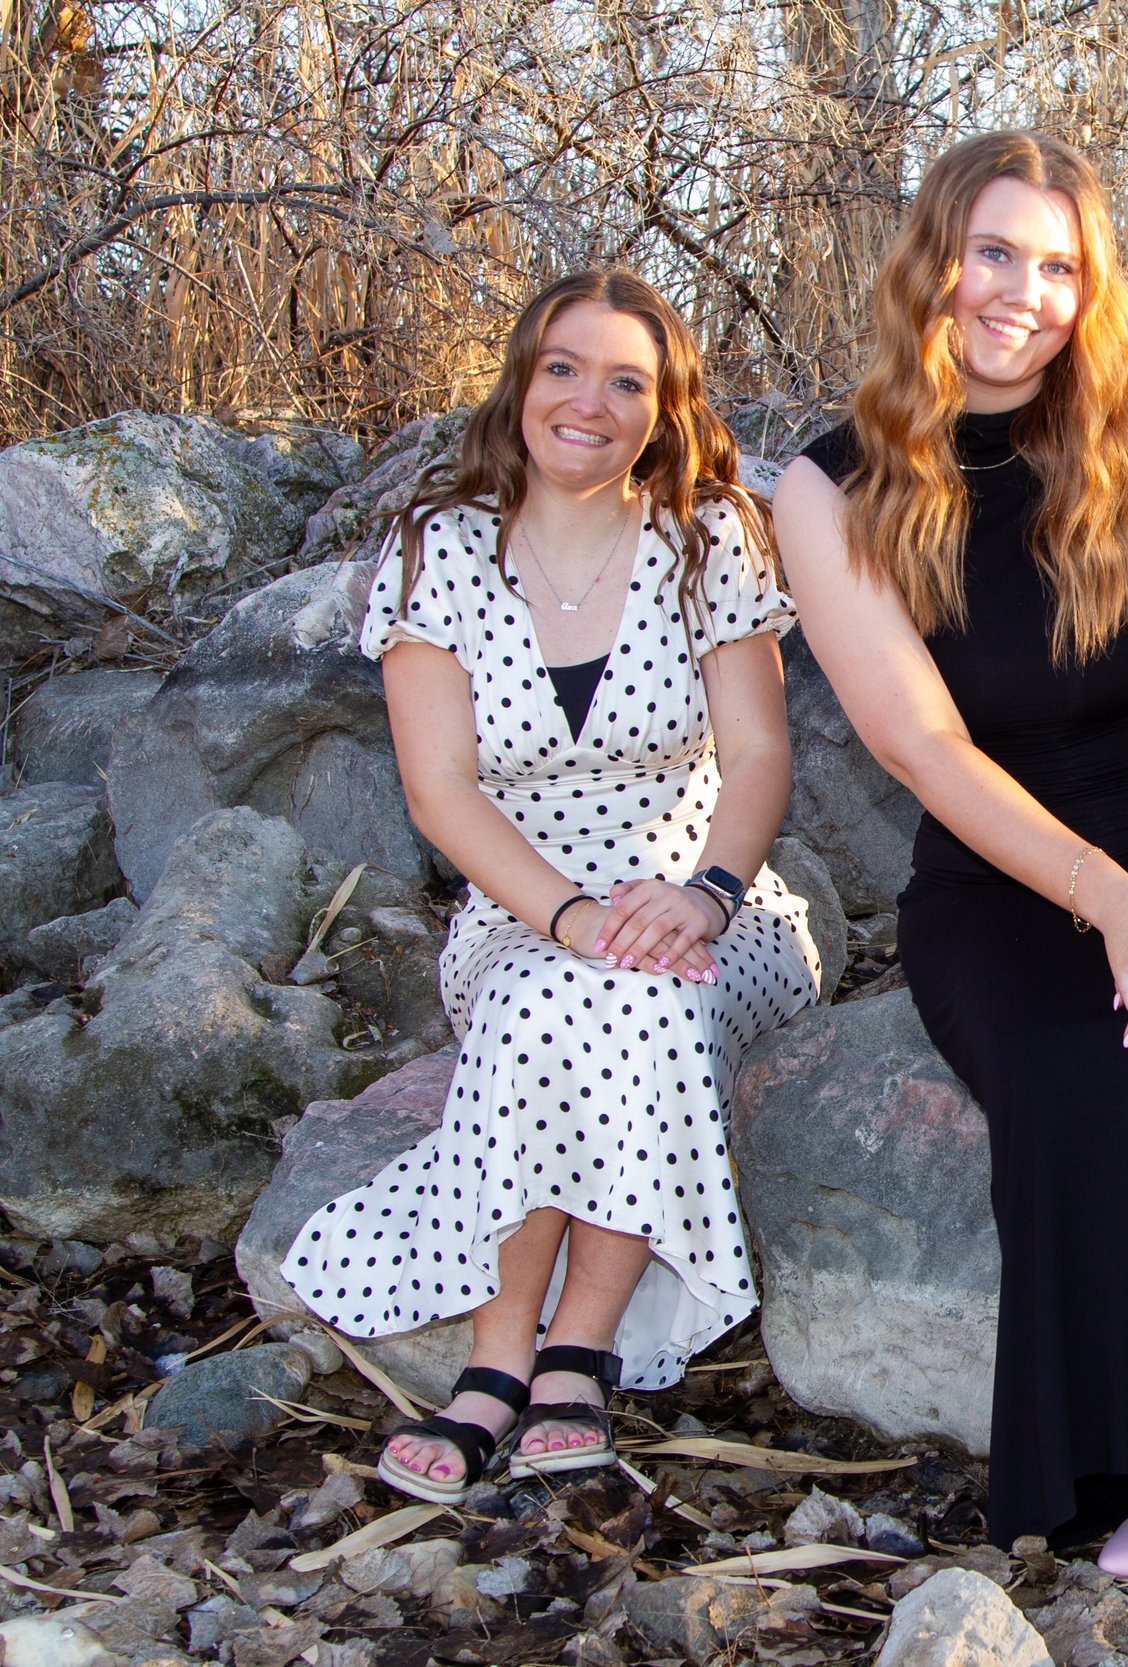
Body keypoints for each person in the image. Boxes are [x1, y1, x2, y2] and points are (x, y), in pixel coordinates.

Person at [773, 130, 1128, 1624]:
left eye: (1057, 264)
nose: (1020, 293)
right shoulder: (828, 483)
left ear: (1089, 286)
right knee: (1070, 1065)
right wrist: (1109, 906)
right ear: (932, 261)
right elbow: (917, 743)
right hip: (996, 865)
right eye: (992, 253)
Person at [285, 269, 821, 1502]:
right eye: (565, 368)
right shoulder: (438, 547)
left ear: (665, 407)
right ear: (523, 383)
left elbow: (758, 753)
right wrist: (570, 917)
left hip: (710, 906)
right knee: (548, 1000)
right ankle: (497, 1350)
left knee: (643, 995)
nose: (591, 400)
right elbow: (442, 790)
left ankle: (573, 1349)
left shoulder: (712, 535)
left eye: (628, 379)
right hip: (519, 912)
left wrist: (706, 893)